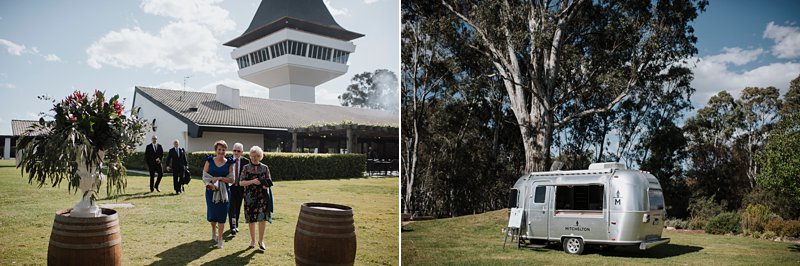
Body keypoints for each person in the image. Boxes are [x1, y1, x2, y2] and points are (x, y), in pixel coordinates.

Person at [239, 146, 274, 250]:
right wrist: (252, 182)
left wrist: (265, 185)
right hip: (249, 197)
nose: (254, 158)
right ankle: (252, 241)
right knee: (251, 219)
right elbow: (241, 182)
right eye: (253, 156)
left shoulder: (265, 167)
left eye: (257, 156)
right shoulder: (246, 167)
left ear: (260, 157)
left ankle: (261, 240)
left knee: (262, 218)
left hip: (262, 196)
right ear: (250, 156)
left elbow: (269, 182)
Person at [202, 140, 235, 248]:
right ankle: (213, 231)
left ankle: (220, 239)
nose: (221, 152)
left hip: (224, 193)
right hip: (211, 192)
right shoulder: (209, 161)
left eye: (223, 150)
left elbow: (232, 180)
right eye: (219, 149)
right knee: (212, 214)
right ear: (215, 150)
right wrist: (209, 184)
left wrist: (220, 178)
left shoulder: (229, 163)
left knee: (222, 215)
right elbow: (204, 176)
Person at [228, 142, 249, 236]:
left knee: (238, 206)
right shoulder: (228, 160)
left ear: (242, 152)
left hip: (240, 188)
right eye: (234, 150)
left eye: (238, 151)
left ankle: (236, 224)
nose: (236, 153)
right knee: (231, 206)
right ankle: (232, 226)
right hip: (230, 187)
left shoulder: (246, 162)